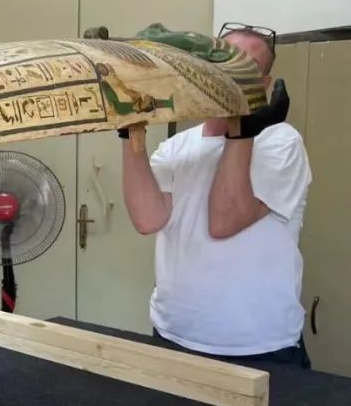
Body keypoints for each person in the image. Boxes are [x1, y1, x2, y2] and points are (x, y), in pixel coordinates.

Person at [120, 22, 311, 366]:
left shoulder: (281, 142)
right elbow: (148, 220)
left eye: (246, 71)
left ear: (265, 83)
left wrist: (242, 132)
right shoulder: (176, 147)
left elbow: (224, 221)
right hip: (173, 334)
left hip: (259, 347)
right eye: (222, 64)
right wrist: (129, 130)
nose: (230, 78)